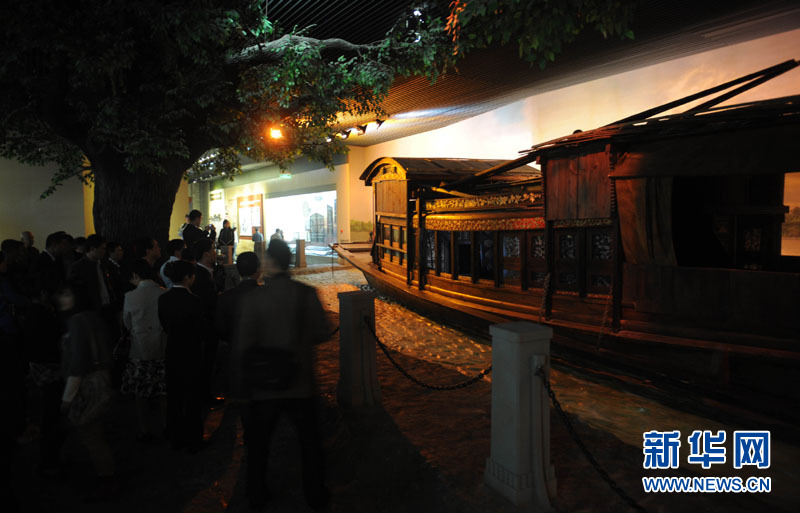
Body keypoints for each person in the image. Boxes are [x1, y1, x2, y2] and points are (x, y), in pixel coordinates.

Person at [233, 239, 330, 511]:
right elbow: (321, 332)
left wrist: (241, 386)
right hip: (301, 382)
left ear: (270, 263)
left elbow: (244, 344)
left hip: (264, 386)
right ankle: (315, 494)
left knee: (259, 444)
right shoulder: (306, 294)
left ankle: (257, 492)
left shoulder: (254, 298)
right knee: (310, 444)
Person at [58, 286, 118, 500]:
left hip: (88, 385)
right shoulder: (94, 317)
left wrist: (67, 398)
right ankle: (106, 473)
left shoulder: (76, 321)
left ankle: (106, 477)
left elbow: (77, 364)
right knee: (97, 432)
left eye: (67, 293)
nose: (62, 298)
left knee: (91, 435)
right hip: (102, 378)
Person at [158, 260, 205, 451]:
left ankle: (175, 435)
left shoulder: (164, 299)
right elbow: (201, 329)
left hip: (173, 350)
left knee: (175, 396)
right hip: (192, 352)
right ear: (187, 277)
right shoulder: (195, 300)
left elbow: (164, 324)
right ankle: (194, 437)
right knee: (193, 397)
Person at [121, 259, 167, 442]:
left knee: (141, 393)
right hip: (162, 345)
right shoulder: (163, 293)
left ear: (135, 275)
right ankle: (165, 425)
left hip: (140, 348)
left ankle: (144, 429)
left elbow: (127, 322)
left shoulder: (130, 296)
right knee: (163, 390)